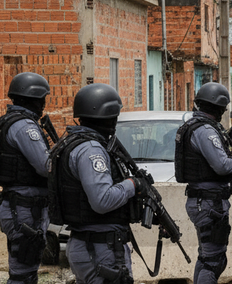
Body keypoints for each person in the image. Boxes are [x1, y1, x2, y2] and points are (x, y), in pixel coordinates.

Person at [48, 83, 144, 284]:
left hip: (91, 244)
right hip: (101, 249)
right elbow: (102, 200)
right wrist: (132, 184)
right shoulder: (92, 149)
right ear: (108, 116)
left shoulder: (72, 142)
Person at [175, 82, 232, 284]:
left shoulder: (196, 126)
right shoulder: (205, 131)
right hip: (208, 204)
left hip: (204, 201)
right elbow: (222, 165)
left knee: (207, 257)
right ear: (218, 108)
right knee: (213, 260)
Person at [0, 73, 52, 284]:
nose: (43, 105)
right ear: (33, 99)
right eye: (41, 99)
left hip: (17, 206)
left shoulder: (7, 121)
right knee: (24, 274)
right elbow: (45, 166)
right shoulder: (25, 126)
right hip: (24, 208)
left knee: (25, 270)